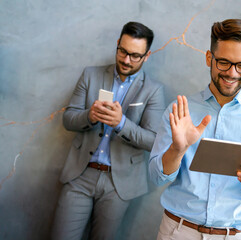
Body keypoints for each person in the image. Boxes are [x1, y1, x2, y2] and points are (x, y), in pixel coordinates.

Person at [149, 19, 241, 240]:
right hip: (177, 231)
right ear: (209, 58)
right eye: (223, 63)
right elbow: (156, 177)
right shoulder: (180, 110)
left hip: (231, 235)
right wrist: (177, 149)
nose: (232, 73)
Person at [52, 21, 166, 240]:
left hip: (119, 183)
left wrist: (121, 123)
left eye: (135, 55)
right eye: (122, 51)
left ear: (146, 56)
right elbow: (68, 119)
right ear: (117, 44)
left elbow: (153, 141)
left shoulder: (153, 90)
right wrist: (89, 116)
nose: (126, 60)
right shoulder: (90, 75)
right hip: (80, 174)